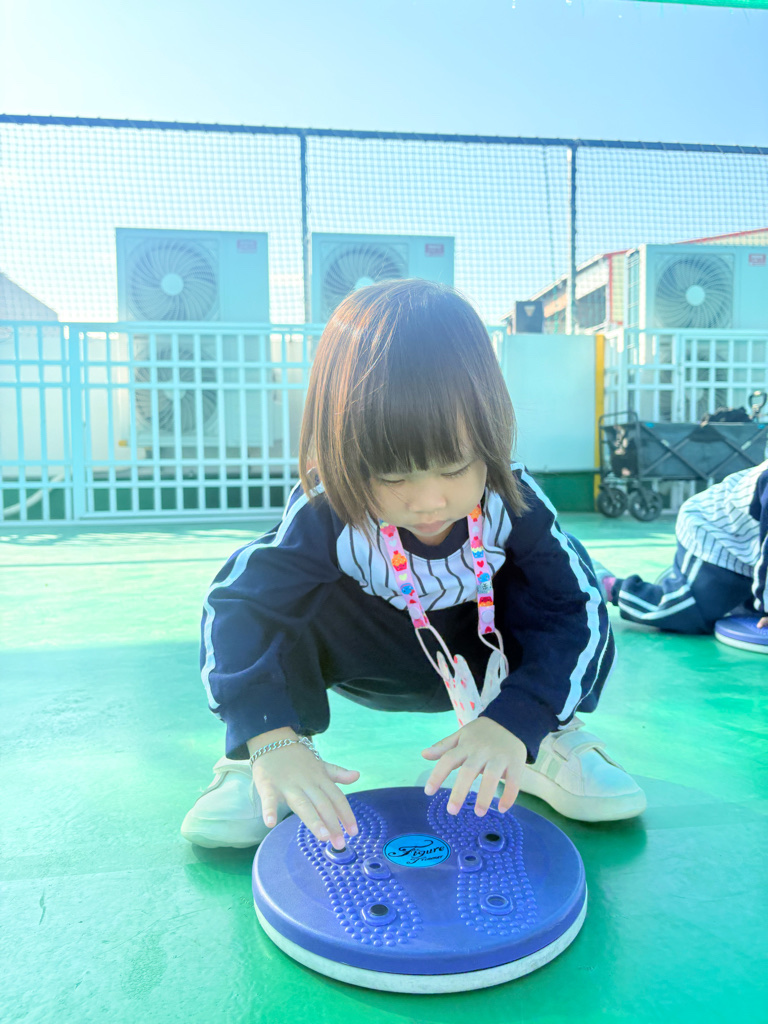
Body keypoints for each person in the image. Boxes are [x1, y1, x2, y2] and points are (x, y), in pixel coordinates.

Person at [181, 279, 646, 852]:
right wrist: (266, 733)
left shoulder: (514, 503)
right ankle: (263, 758)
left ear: (492, 435)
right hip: (370, 660)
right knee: (273, 596)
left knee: (554, 584)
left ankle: (541, 739)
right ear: (341, 452)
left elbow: (579, 612)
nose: (429, 501)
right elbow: (236, 608)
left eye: (454, 468)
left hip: (485, 664)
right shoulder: (328, 509)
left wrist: (521, 715)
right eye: (392, 476)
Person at [594, 460, 768, 634]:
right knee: (688, 610)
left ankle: (688, 577)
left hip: (749, 546)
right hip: (715, 534)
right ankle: (609, 585)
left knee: (743, 605)